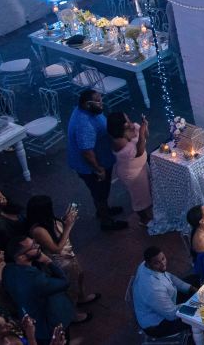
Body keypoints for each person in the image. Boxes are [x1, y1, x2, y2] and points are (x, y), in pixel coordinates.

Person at [24, 195, 98, 321]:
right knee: (70, 287)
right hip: (60, 261)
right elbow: (56, 249)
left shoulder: (47, 220)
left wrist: (65, 220)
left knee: (79, 275)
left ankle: (81, 298)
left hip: (68, 256)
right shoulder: (38, 230)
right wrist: (68, 226)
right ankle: (73, 314)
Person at [66, 89, 127, 231]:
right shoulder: (84, 124)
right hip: (92, 167)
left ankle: (103, 210)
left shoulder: (90, 111)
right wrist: (98, 169)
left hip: (101, 158)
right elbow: (87, 152)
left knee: (101, 191)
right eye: (98, 101)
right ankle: (106, 221)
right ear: (87, 104)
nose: (101, 103)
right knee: (100, 192)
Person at [2, 236, 75, 343]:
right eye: (33, 247)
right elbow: (65, 282)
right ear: (21, 257)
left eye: (34, 242)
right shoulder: (36, 280)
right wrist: (48, 261)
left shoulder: (8, 270)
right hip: (49, 328)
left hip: (32, 323)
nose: (38, 246)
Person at [131, 246, 195, 339]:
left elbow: (169, 276)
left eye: (163, 258)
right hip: (158, 325)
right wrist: (195, 304)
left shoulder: (144, 265)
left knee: (193, 279)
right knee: (197, 317)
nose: (163, 264)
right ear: (149, 264)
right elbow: (172, 314)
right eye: (157, 263)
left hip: (165, 302)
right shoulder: (153, 289)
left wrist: (190, 288)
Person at [105, 112, 153, 225]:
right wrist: (141, 132)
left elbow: (146, 136)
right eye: (126, 119)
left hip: (142, 167)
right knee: (139, 197)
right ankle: (144, 219)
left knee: (147, 190)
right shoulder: (118, 141)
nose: (129, 120)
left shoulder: (133, 127)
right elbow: (138, 152)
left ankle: (149, 210)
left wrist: (145, 126)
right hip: (131, 173)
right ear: (121, 125)